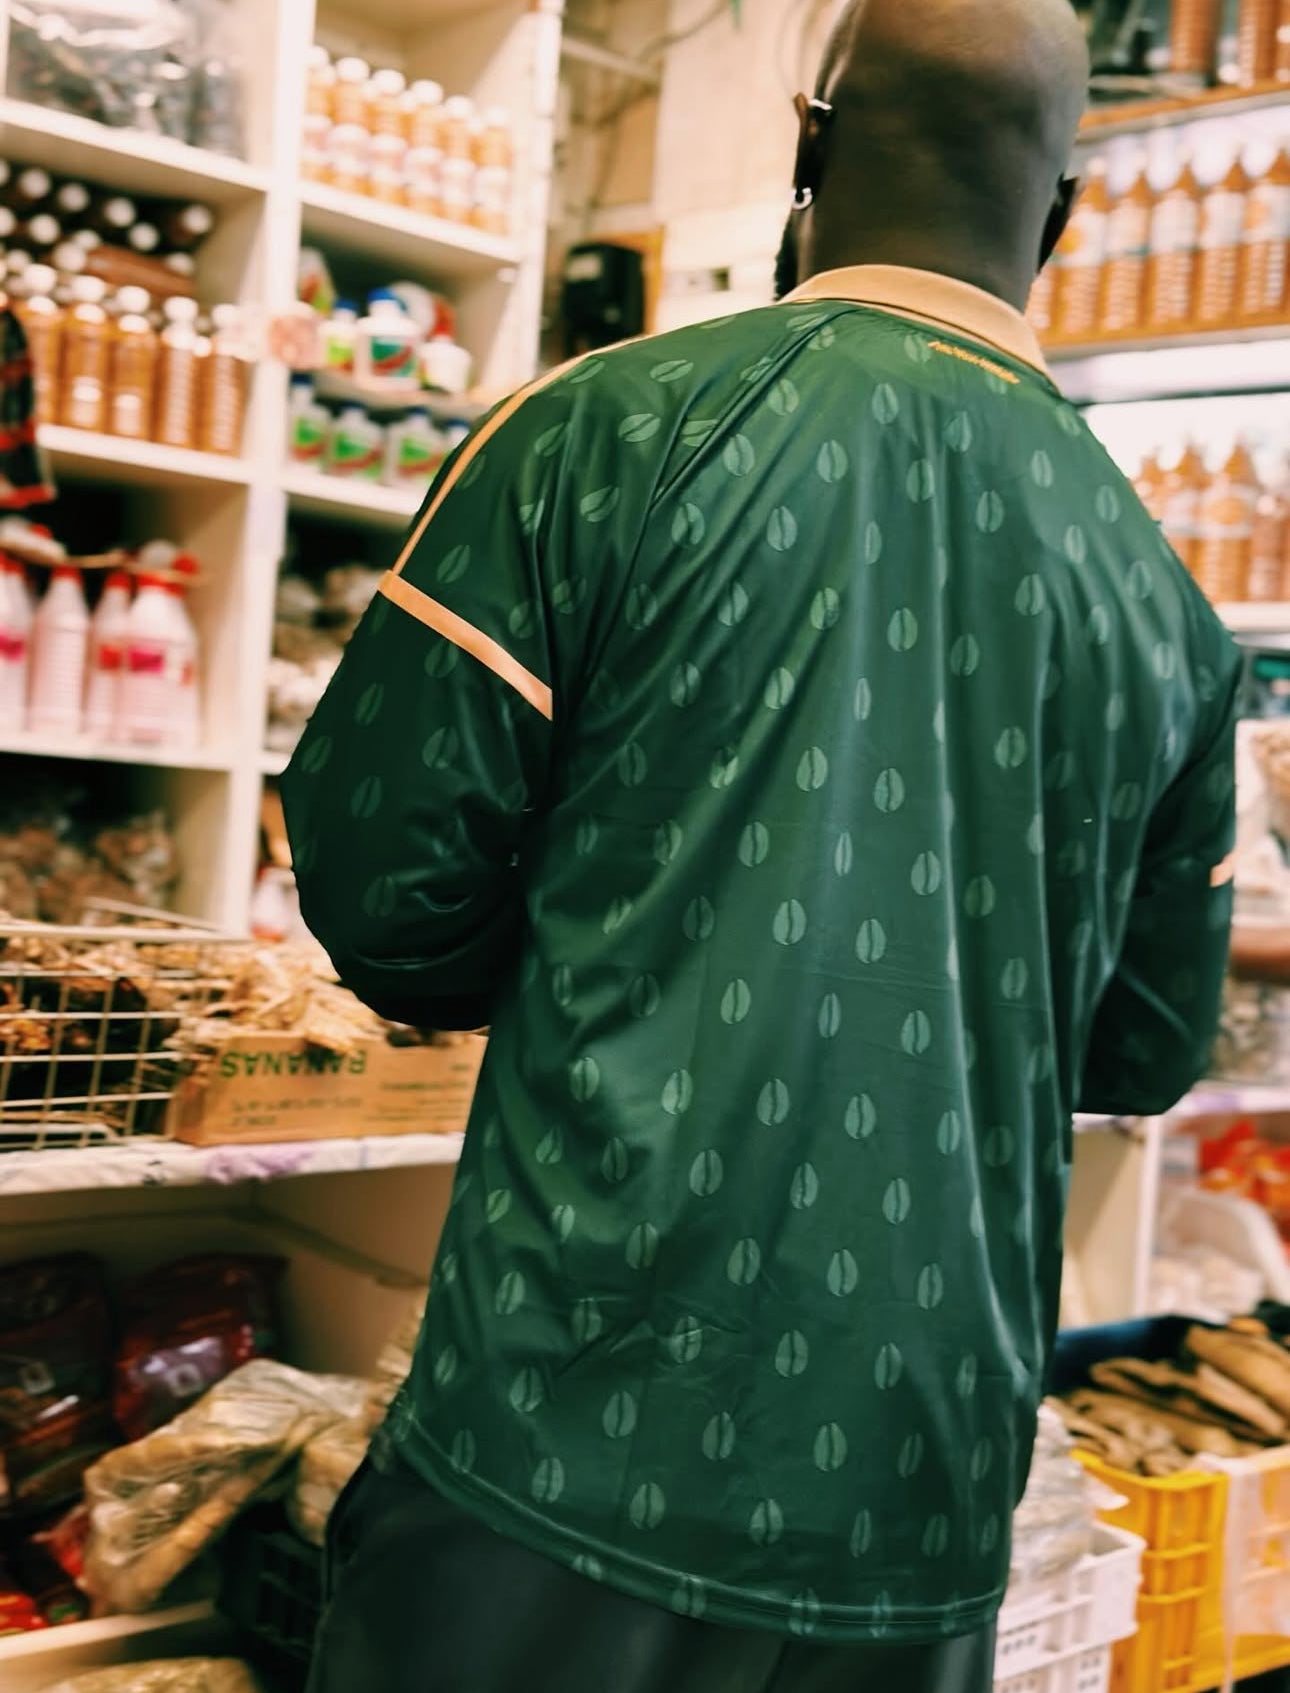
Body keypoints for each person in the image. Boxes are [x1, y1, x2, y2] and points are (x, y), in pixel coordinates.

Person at [285, 1, 1240, 1688]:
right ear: (1065, 218)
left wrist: (620, 954)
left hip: (569, 1417)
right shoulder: (1160, 603)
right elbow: (1147, 1044)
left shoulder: (604, 434)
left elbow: (382, 884)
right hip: (918, 1485)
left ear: (804, 150)